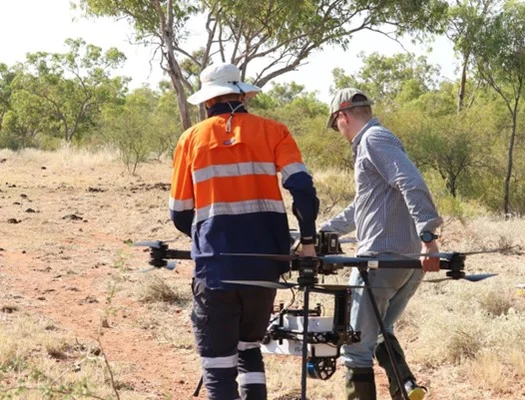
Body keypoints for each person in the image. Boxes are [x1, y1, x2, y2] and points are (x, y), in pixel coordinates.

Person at [169, 62, 319, 400]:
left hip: (216, 268)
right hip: (265, 266)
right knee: (249, 347)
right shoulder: (274, 131)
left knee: (219, 366)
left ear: (208, 102)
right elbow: (304, 192)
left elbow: (180, 213)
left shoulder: (191, 139)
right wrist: (307, 242)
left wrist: (205, 238)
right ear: (242, 94)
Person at [320, 88, 443, 400]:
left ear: (342, 116)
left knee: (355, 347)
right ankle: (406, 388)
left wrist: (429, 236)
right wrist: (322, 232)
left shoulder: (374, 139)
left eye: (337, 126)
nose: (339, 132)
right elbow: (361, 207)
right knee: (379, 332)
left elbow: (411, 182)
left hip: (379, 262)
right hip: (404, 263)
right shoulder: (374, 143)